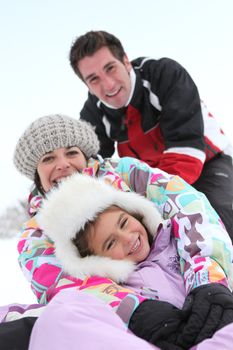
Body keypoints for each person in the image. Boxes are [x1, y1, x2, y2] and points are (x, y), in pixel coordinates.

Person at [13, 113, 233, 349]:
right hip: (131, 322)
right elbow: (59, 285)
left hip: (186, 279)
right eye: (48, 158)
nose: (63, 164)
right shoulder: (36, 235)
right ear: (36, 174)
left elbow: (188, 207)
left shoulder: (127, 173)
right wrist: (136, 310)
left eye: (71, 152)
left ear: (85, 155)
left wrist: (207, 281)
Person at [38, 172, 233, 349]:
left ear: (134, 212)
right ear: (95, 260)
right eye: (110, 243)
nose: (128, 238)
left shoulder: (179, 240)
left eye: (123, 223)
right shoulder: (120, 290)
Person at [69, 30, 233, 240]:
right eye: (94, 79)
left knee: (213, 222)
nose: (108, 85)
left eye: (110, 68)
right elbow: (91, 167)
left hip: (207, 163)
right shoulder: (93, 114)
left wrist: (151, 203)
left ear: (126, 61)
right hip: (155, 180)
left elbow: (187, 149)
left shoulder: (164, 75)